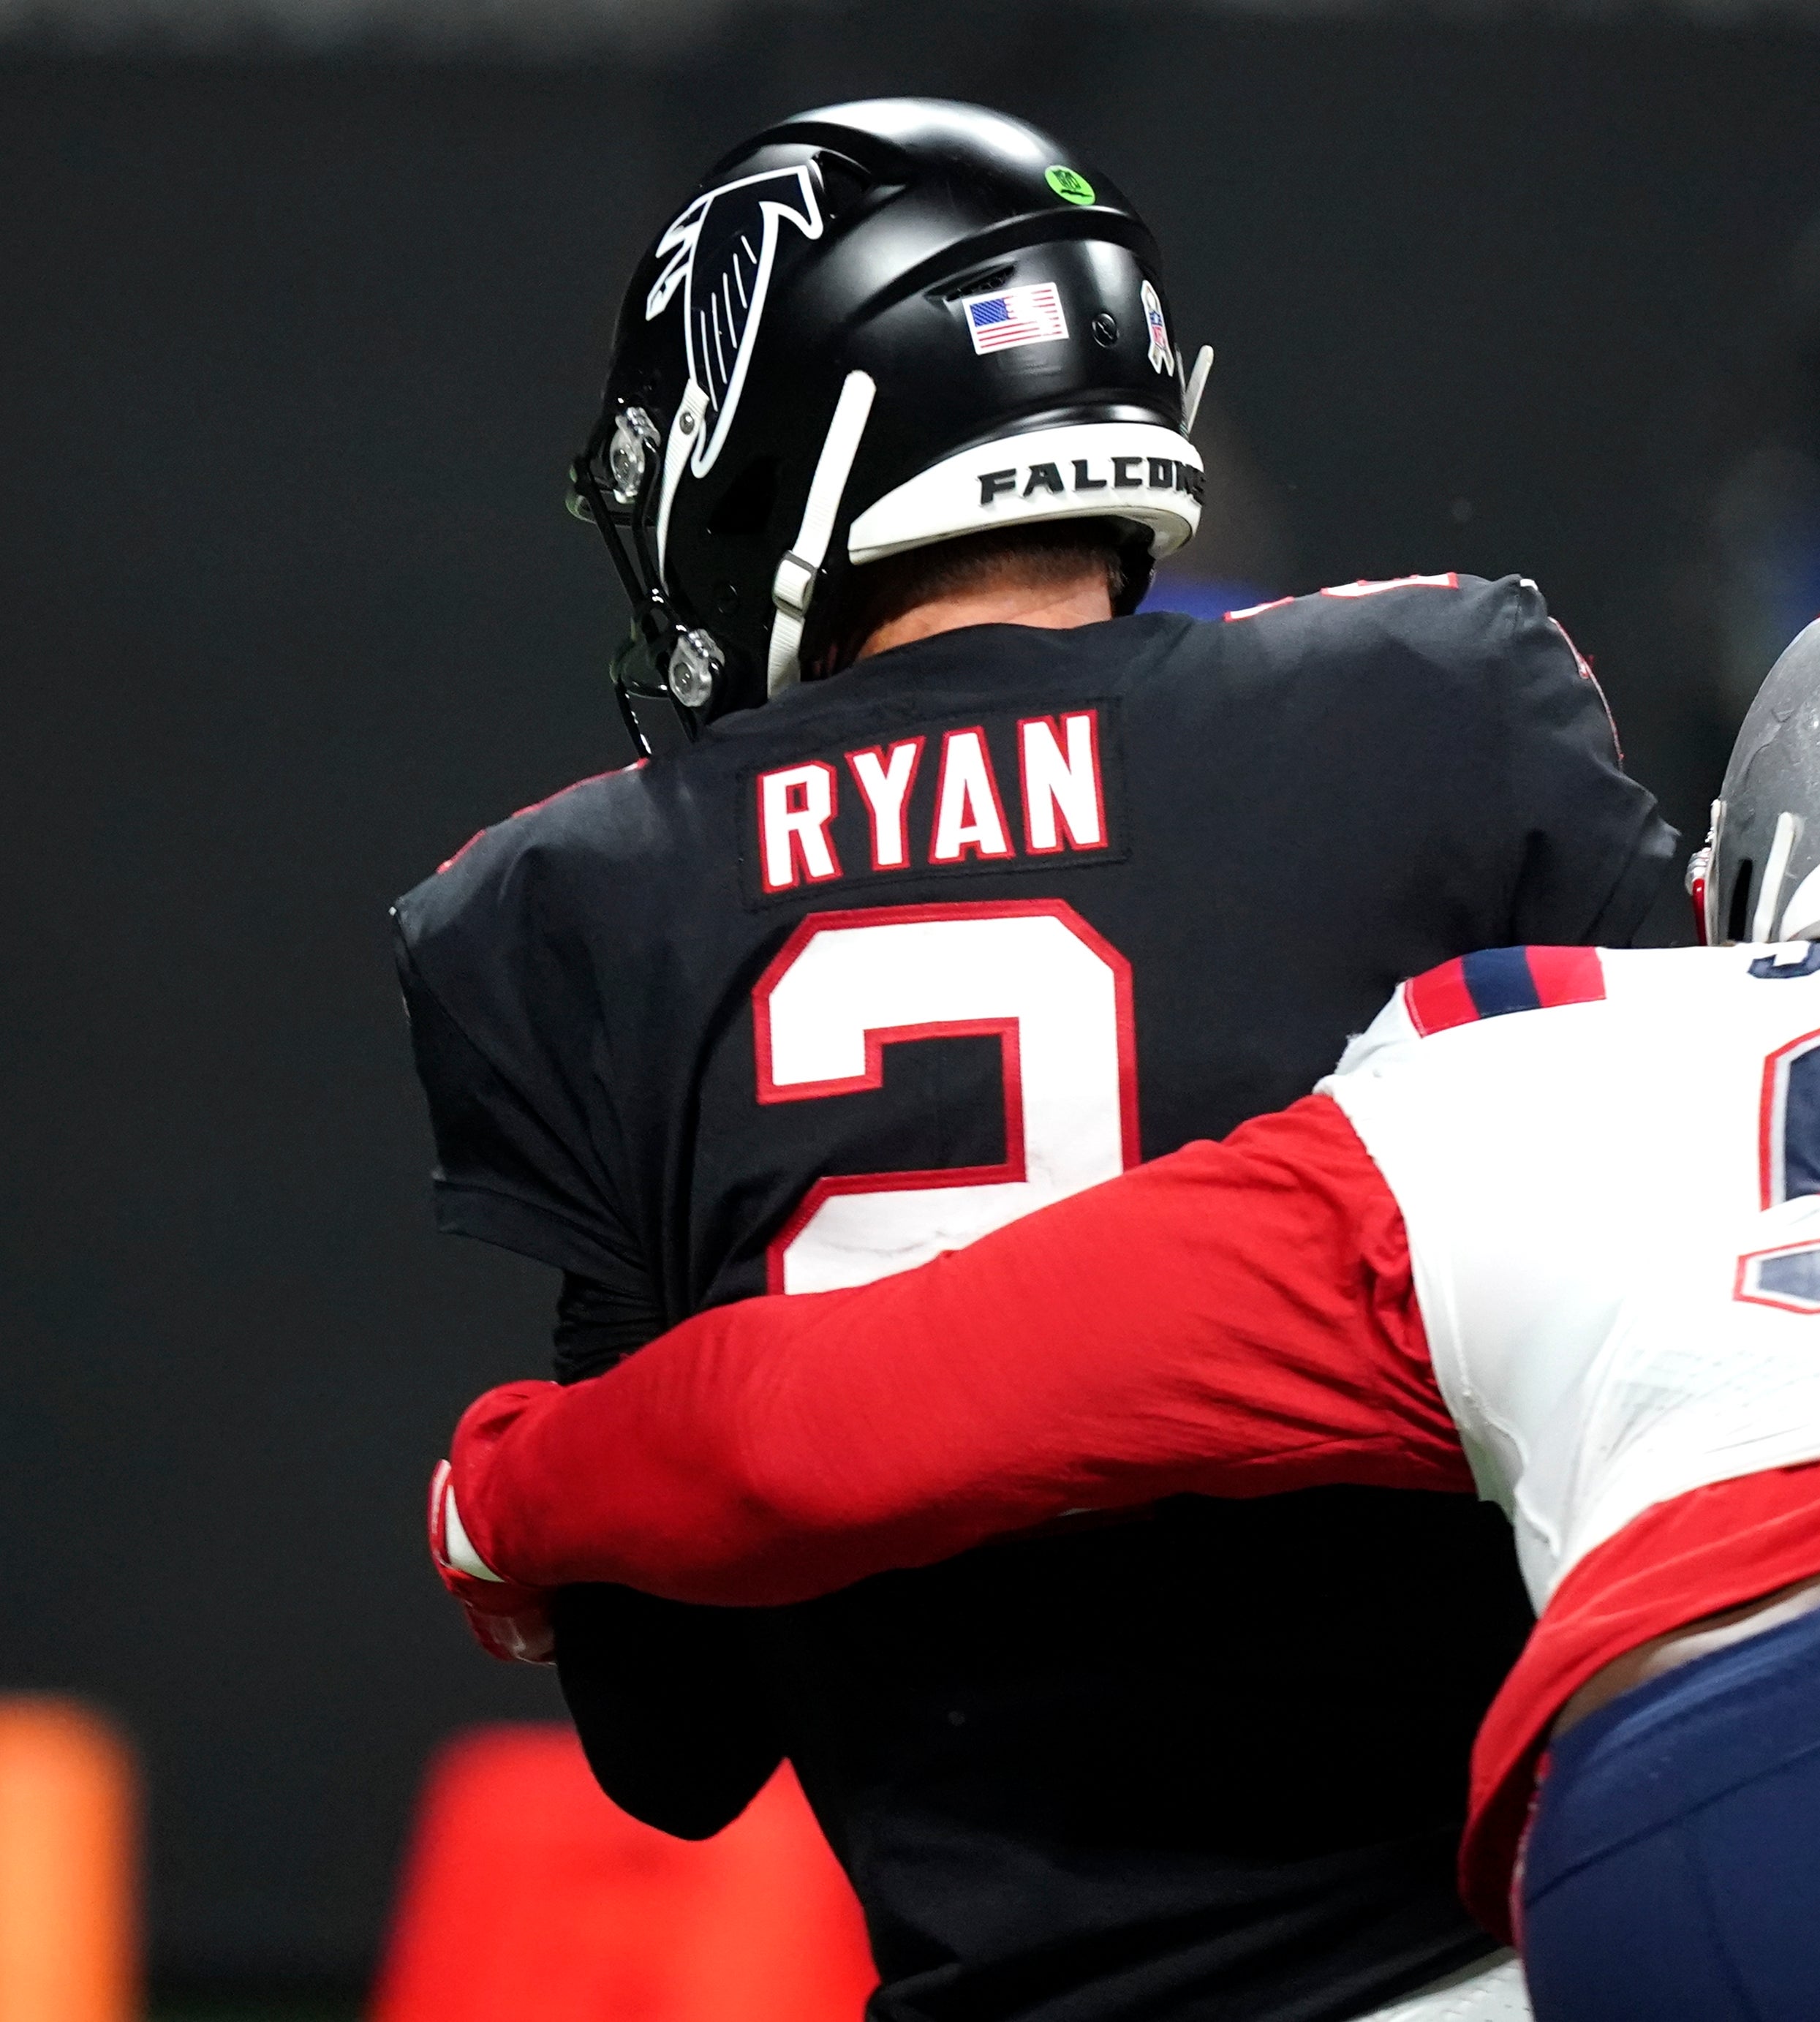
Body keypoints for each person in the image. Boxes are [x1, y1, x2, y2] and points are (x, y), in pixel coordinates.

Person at [429, 531, 1820, 2021]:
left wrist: (512, 1499)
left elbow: (847, 1415)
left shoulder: (1517, 1075)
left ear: (1742, 856)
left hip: (1643, 1816)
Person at [393, 96, 1691, 2022]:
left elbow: (672, 1747)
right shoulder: (1434, 711)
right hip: (1528, 1939)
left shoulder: (576, 900)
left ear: (765, 432)